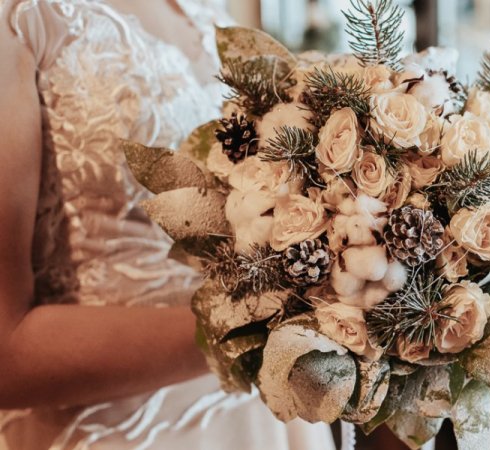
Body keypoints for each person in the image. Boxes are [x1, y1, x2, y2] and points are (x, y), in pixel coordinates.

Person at [0, 1, 335, 448]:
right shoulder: (22, 18)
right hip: (116, 429)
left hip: (258, 416)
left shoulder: (208, 11)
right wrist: (261, 326)